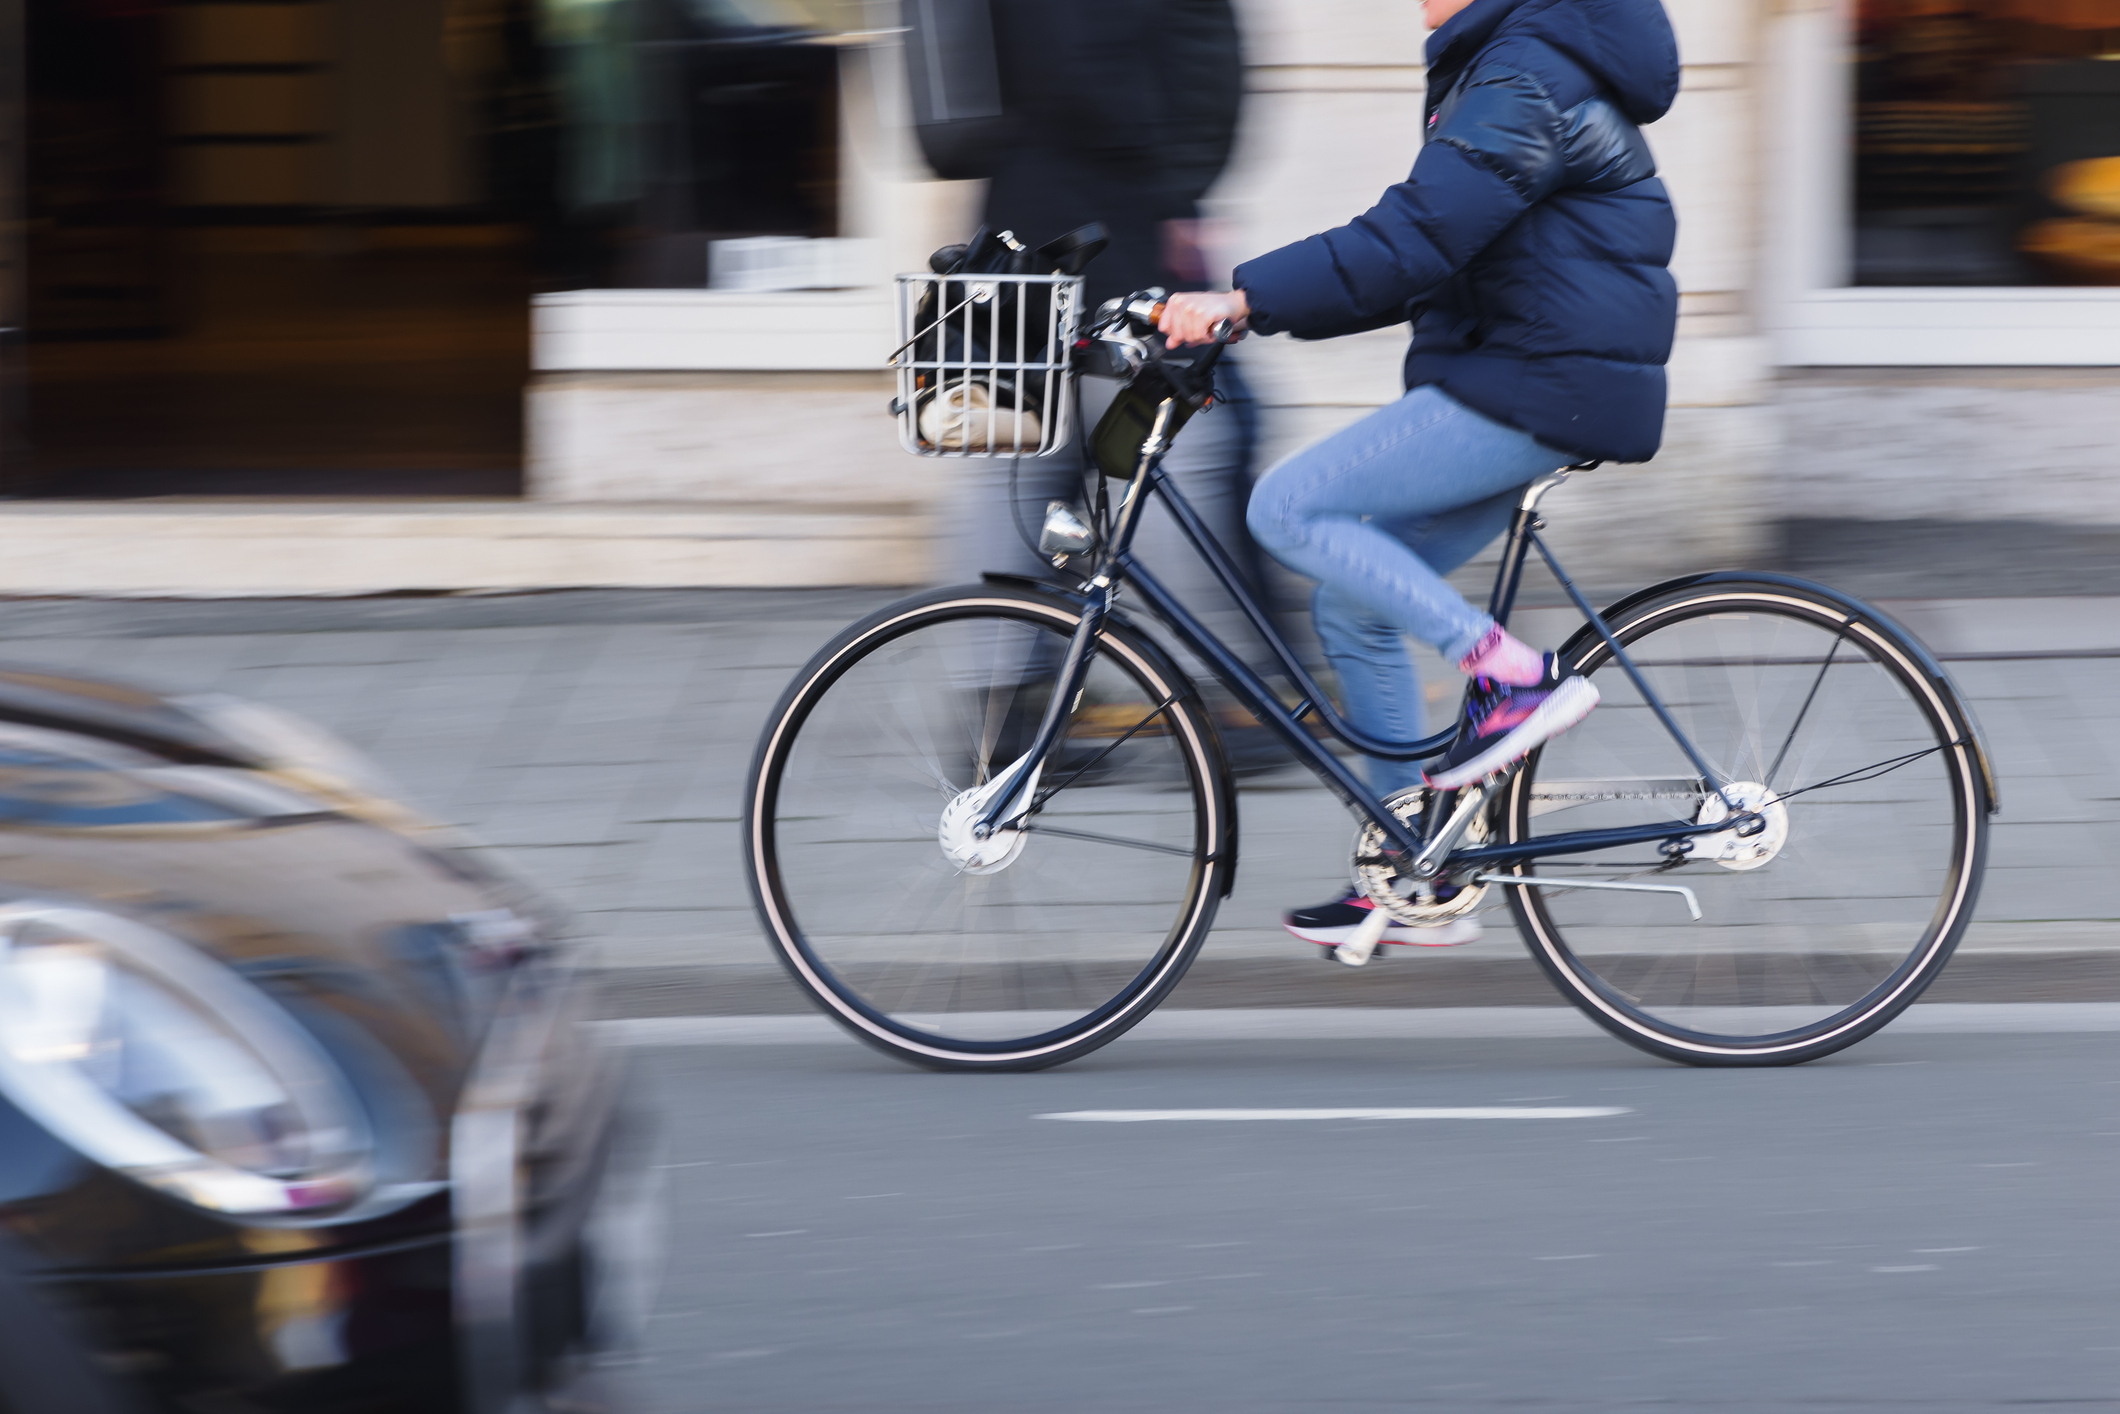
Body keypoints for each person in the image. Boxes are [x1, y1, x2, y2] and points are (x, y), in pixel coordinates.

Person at [1159, 0, 1681, 947]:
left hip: (1541, 379)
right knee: (1352, 605)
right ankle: (1412, 870)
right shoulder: (1510, 62)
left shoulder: (1527, 72)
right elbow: (1424, 257)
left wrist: (1243, 299)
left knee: (1289, 504)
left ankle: (1514, 681)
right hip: (1530, 373)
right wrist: (1254, 306)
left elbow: (1414, 240)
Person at [931, 0, 1278, 760]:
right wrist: (1179, 188)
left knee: (1015, 460)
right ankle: (1223, 699)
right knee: (1178, 447)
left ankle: (1000, 720)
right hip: (1110, 221)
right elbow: (1094, 67)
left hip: (1011, 226)